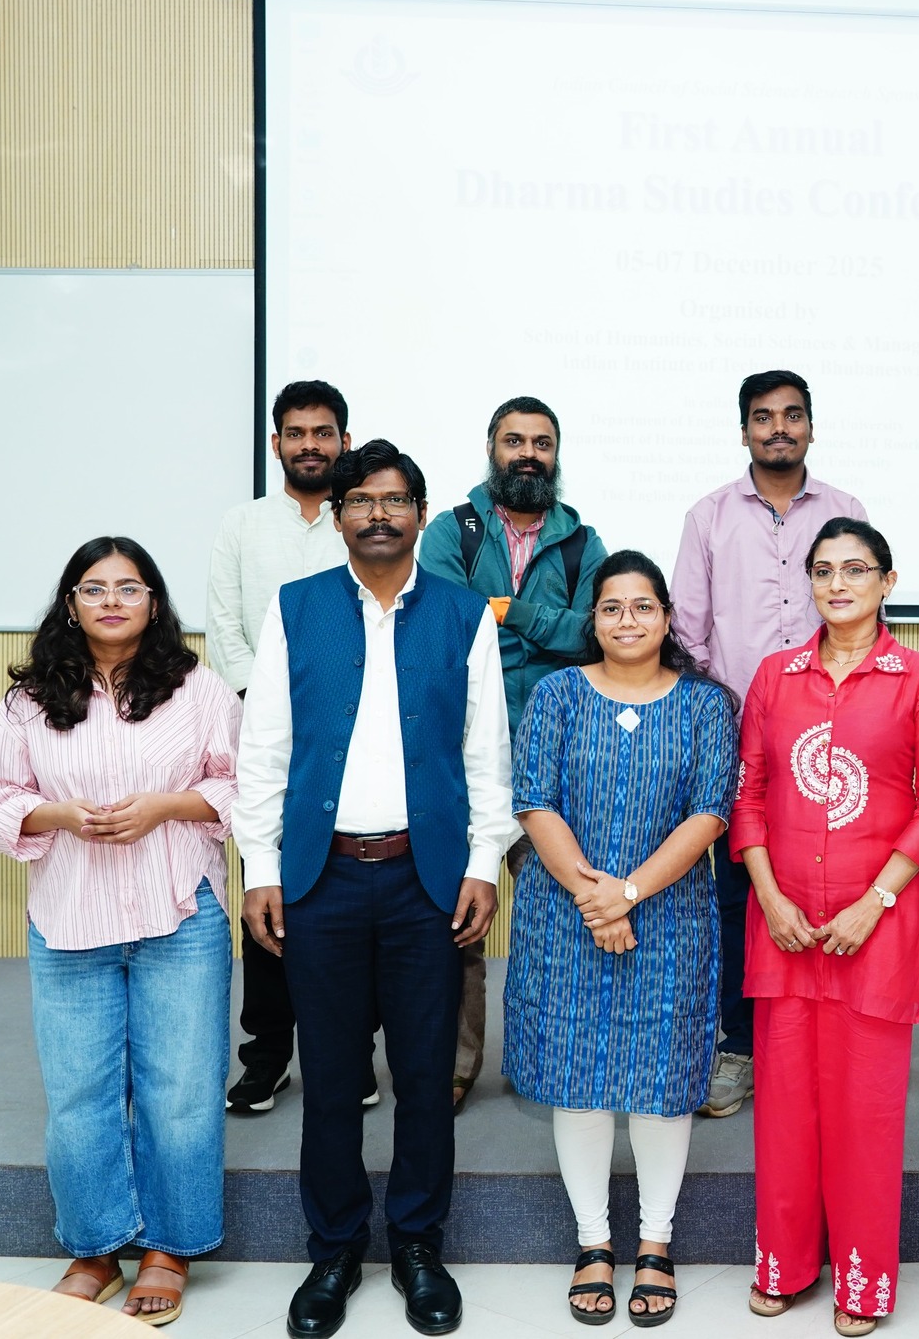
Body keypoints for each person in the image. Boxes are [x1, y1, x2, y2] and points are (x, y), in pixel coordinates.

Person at [234, 440, 516, 1338]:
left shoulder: (464, 613)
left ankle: (419, 1244)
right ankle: (334, 1249)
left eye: (396, 500)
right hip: (320, 880)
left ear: (421, 515)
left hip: (425, 880)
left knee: (427, 1076)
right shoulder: (298, 606)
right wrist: (262, 868)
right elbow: (264, 748)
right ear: (339, 514)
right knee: (330, 1076)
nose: (380, 514)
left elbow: (486, 751)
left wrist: (481, 861)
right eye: (362, 500)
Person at [0, 536, 239, 1326]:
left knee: (180, 1092)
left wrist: (165, 806)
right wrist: (56, 814)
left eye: (129, 586)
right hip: (68, 917)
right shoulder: (29, 700)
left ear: (154, 601)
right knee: (79, 1093)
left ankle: (170, 1248)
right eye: (94, 587)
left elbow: (243, 780)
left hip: (179, 911)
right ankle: (94, 1247)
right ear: (71, 603)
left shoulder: (199, 689)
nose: (112, 600)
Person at [732, 518, 919, 1337]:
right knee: (785, 1107)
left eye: (856, 569)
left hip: (878, 928)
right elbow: (749, 796)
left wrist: (875, 901)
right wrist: (770, 897)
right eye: (823, 569)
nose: (837, 583)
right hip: (785, 924)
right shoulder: (774, 676)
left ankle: (864, 1281)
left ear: (887, 582)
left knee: (865, 1112)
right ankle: (785, 1266)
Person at [504, 550, 738, 1327]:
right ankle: (594, 1242)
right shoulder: (557, 694)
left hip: (670, 917)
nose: (627, 619)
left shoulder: (707, 704)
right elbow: (533, 800)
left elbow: (710, 811)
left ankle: (657, 1241)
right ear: (593, 619)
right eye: (612, 607)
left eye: (643, 606)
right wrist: (596, 900)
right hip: (567, 917)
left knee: (662, 1083)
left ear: (668, 618)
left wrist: (628, 893)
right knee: (579, 1078)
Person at [671, 369, 869, 1121]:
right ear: (745, 430)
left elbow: (862, 614)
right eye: (763, 417)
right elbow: (688, 633)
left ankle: (823, 1037)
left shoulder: (846, 512)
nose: (778, 428)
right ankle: (740, 1046)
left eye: (792, 415)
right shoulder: (708, 516)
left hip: (833, 732)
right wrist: (726, 712)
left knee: (830, 880)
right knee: (737, 893)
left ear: (811, 426)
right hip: (738, 734)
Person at [417, 394, 606, 1114]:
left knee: (555, 919)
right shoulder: (451, 531)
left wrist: (510, 611)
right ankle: (454, 1065)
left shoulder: (583, 542)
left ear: (556, 454)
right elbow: (445, 626)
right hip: (459, 751)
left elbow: (591, 635)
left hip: (554, 758)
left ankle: (550, 1059)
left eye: (541, 443)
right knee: (454, 919)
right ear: (492, 448)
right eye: (514, 441)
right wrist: (534, 626)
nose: (528, 454)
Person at [206, 378, 360, 1115]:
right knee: (268, 891)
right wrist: (266, 705)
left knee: (348, 897)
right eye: (296, 432)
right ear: (276, 444)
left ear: (344, 441)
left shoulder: (361, 521)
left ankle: (352, 1058)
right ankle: (266, 1058)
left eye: (322, 432)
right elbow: (224, 627)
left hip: (355, 738)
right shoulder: (241, 525)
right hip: (264, 739)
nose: (309, 445)